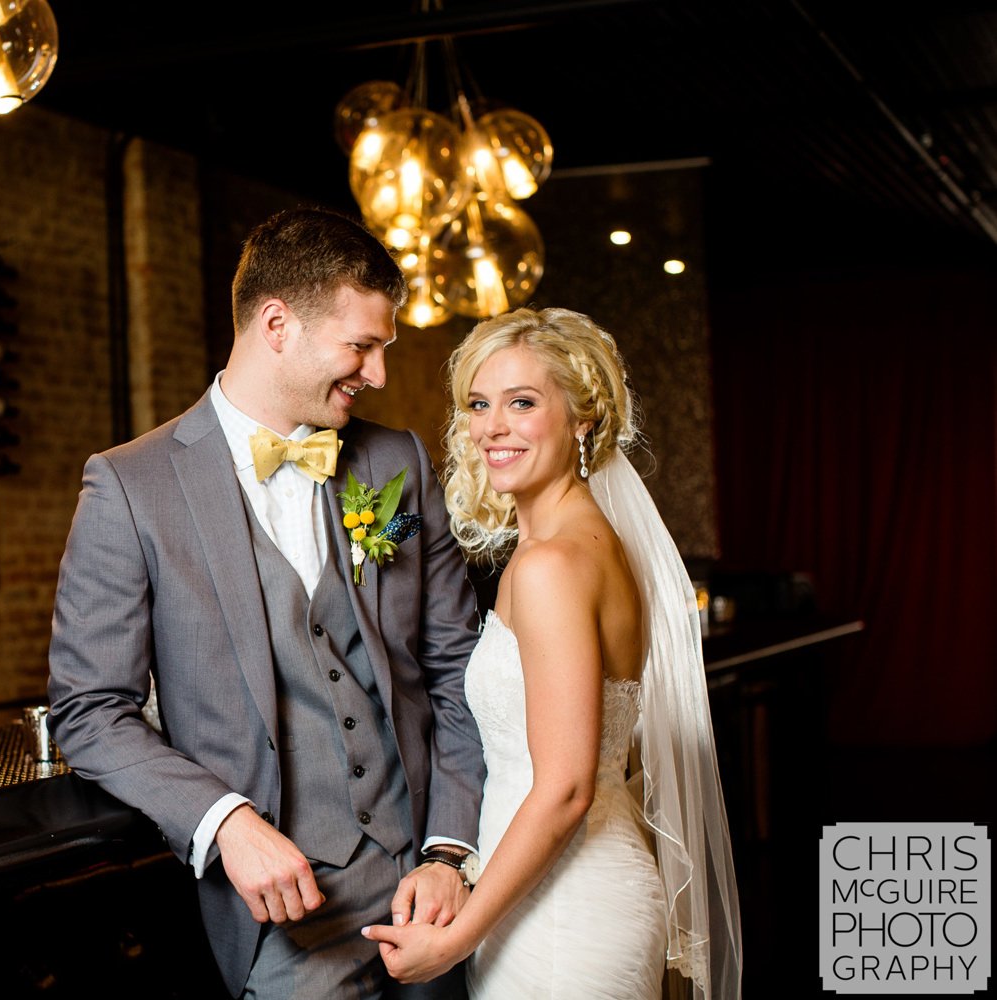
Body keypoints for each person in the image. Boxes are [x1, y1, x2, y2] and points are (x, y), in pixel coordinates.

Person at [47, 206, 488, 998]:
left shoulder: (397, 461)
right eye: (362, 346)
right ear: (276, 324)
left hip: (431, 896)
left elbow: (456, 668)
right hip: (286, 926)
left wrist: (449, 849)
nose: (378, 374)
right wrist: (224, 822)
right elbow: (89, 708)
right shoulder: (130, 486)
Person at [362, 308, 743, 998]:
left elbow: (566, 789)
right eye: (479, 403)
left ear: (584, 420)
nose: (491, 427)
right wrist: (375, 537)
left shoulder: (553, 567)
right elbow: (426, 516)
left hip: (567, 915)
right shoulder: (579, 544)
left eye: (523, 402)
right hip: (542, 893)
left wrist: (454, 937)